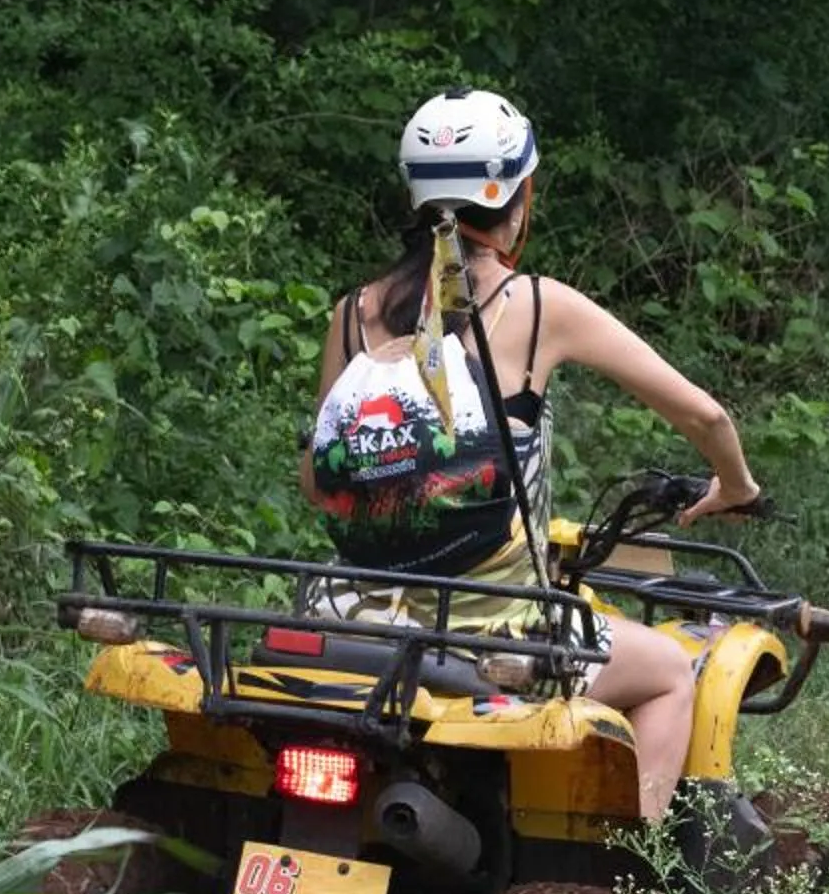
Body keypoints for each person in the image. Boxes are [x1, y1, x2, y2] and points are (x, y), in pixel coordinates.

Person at [304, 87, 764, 823]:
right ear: (518, 197)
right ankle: (626, 887)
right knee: (673, 671)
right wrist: (735, 485)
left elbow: (316, 479)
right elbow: (704, 413)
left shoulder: (353, 313)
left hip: (358, 615)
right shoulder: (537, 305)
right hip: (494, 627)